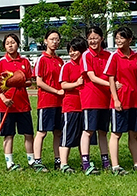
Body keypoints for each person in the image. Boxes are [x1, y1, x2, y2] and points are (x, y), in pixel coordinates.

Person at [105, 26, 137, 175]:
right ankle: (115, 166)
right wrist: (116, 99)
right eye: (117, 38)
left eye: (122, 38)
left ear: (130, 40)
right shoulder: (114, 57)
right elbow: (111, 79)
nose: (119, 41)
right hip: (121, 101)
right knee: (116, 133)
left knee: (134, 134)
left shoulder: (136, 56)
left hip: (134, 101)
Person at [0, 33, 34, 172]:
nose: (10, 45)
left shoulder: (25, 62)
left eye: (13, 42)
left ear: (18, 44)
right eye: (7, 43)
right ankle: (9, 163)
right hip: (6, 106)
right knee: (8, 134)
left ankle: (31, 160)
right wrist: (4, 99)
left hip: (23, 105)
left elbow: (29, 80)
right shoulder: (1, 62)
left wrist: (20, 82)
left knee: (28, 133)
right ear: (4, 46)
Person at [80, 26, 112, 175]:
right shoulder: (86, 55)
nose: (93, 41)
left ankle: (105, 161)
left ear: (102, 38)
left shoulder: (108, 55)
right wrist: (111, 85)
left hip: (105, 99)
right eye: (90, 38)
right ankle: (85, 162)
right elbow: (92, 77)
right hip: (91, 99)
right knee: (88, 130)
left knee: (103, 131)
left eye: (95, 38)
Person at [33, 29, 64, 172]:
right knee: (42, 132)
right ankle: (37, 161)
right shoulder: (42, 59)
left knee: (58, 132)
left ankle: (58, 160)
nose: (54, 42)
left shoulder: (60, 61)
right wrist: (56, 91)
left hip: (60, 102)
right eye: (52, 39)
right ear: (45, 41)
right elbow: (39, 82)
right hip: (46, 102)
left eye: (57, 39)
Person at [58, 37, 87, 174]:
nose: (72, 53)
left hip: (85, 105)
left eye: (75, 50)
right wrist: (76, 84)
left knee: (83, 136)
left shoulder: (86, 65)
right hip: (71, 106)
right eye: (70, 51)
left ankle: (84, 162)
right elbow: (63, 85)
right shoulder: (67, 66)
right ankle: (63, 163)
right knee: (67, 135)